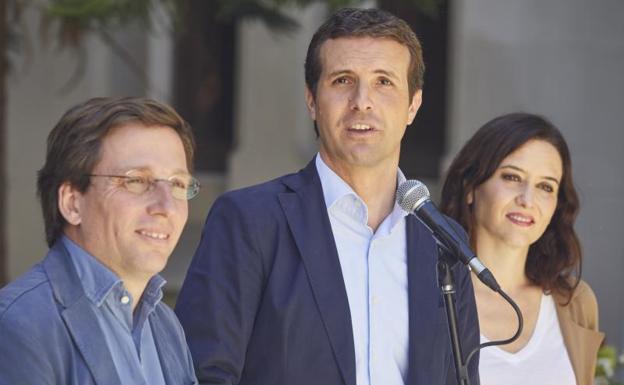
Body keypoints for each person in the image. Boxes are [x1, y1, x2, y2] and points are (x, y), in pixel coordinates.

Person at [176, 8, 479, 385]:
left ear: (413, 105)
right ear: (312, 101)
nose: (362, 101)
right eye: (342, 80)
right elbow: (202, 374)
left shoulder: (442, 242)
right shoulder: (248, 222)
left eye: (384, 82)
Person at [0, 97, 200, 385]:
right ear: (72, 203)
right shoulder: (18, 325)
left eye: (178, 184)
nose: (166, 206)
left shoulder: (165, 325)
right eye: (137, 181)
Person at [440, 113, 604, 385]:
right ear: (470, 187)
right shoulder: (431, 295)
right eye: (512, 177)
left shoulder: (575, 301)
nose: (527, 199)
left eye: (545, 186)